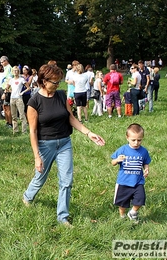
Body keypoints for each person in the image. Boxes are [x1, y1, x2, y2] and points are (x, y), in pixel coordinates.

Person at [22, 64, 105, 226]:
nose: (58, 85)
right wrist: (36, 157)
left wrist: (89, 133)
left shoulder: (61, 95)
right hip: (45, 144)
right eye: (55, 82)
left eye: (59, 82)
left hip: (64, 143)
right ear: (43, 81)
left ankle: (62, 217)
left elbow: (71, 118)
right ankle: (27, 196)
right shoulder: (34, 102)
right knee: (40, 177)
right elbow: (32, 132)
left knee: (66, 181)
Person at [111, 123, 151, 220]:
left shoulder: (143, 151)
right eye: (133, 140)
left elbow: (146, 162)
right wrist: (117, 160)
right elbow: (112, 162)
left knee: (140, 199)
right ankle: (122, 215)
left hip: (138, 181)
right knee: (122, 202)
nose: (136, 143)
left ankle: (133, 212)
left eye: (139, 140)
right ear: (127, 138)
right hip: (124, 181)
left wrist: (146, 168)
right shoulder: (123, 149)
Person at [6, 66, 29, 134]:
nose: (16, 72)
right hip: (12, 98)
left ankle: (24, 131)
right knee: (13, 116)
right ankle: (15, 130)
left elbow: (28, 88)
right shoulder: (11, 80)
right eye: (14, 70)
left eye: (17, 70)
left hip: (19, 98)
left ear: (18, 71)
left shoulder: (21, 79)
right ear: (12, 72)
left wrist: (22, 92)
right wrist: (10, 91)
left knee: (22, 115)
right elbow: (6, 88)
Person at [0, 56, 13, 127]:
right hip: (4, 88)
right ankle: (7, 122)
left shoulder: (9, 68)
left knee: (7, 107)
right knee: (4, 107)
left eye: (2, 62)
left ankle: (10, 123)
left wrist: (5, 92)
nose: (1, 64)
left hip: (7, 90)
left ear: (6, 61)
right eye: (1, 62)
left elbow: (9, 80)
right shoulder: (5, 68)